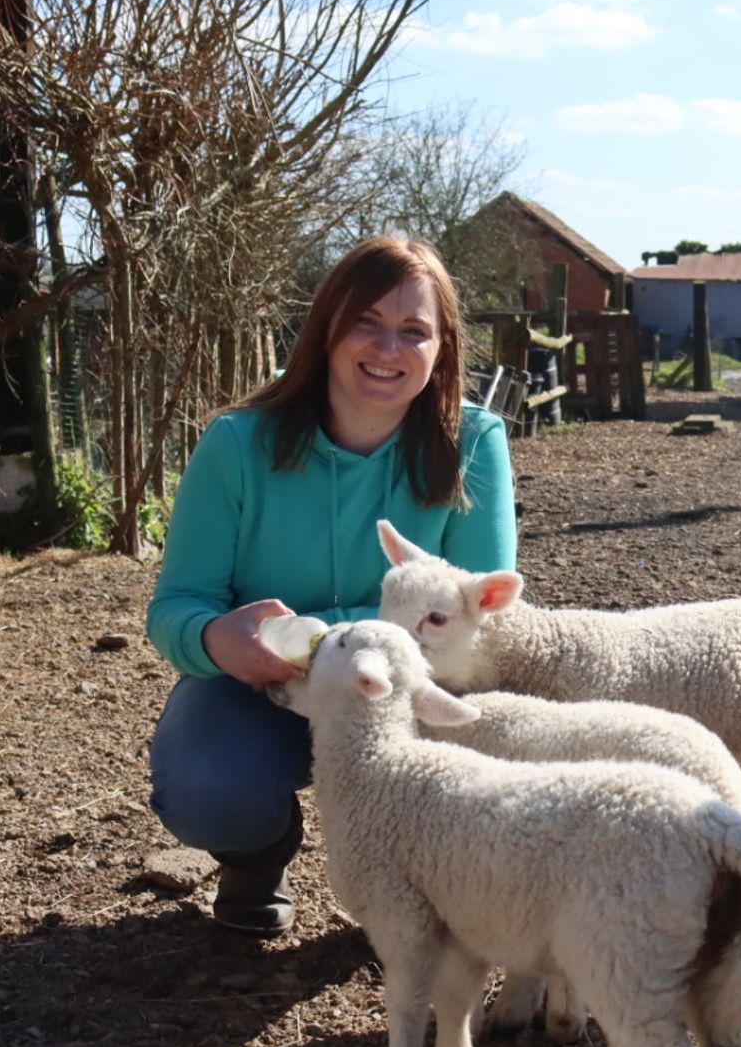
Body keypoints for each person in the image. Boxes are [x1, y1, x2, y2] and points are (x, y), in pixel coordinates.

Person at [146, 236, 517, 936]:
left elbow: (481, 624)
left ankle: (434, 882)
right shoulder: (236, 445)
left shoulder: (472, 444)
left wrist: (335, 633)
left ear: (443, 348)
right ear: (326, 330)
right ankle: (256, 853)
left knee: (494, 726)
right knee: (205, 788)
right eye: (365, 322)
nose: (388, 348)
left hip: (415, 693)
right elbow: (176, 605)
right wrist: (214, 638)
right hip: (267, 685)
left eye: (414, 330)